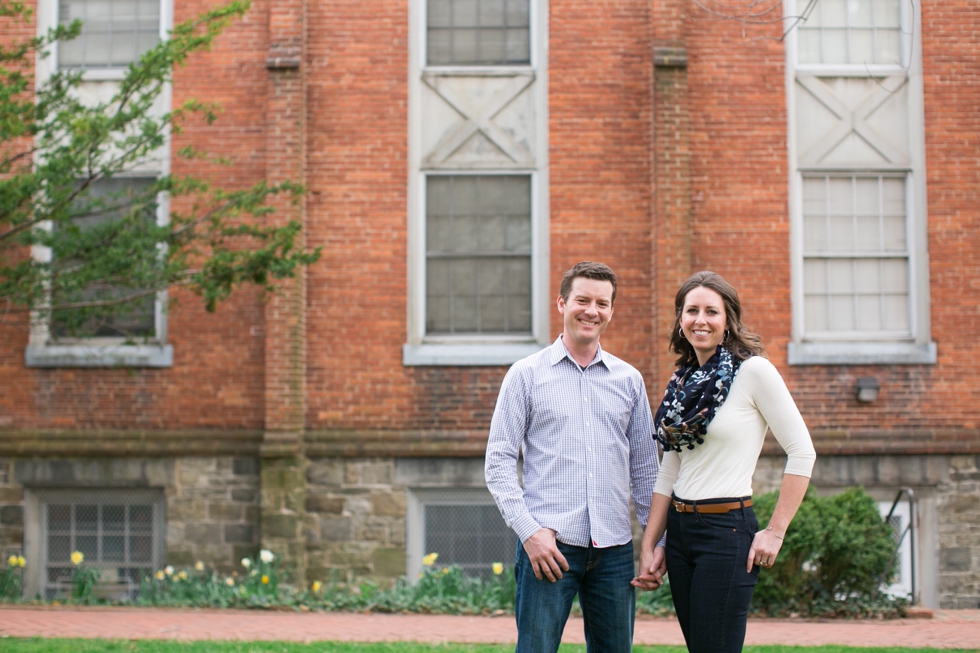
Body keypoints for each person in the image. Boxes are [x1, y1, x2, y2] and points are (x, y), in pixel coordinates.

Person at [485, 261, 665, 653]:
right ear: (562, 303)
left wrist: (654, 542)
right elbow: (497, 463)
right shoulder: (525, 375)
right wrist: (530, 532)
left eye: (602, 303)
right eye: (582, 300)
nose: (592, 311)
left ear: (611, 311)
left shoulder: (629, 381)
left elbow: (646, 471)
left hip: (614, 550)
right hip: (549, 548)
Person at [632, 270, 816, 653]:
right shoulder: (683, 382)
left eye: (711, 311)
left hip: (726, 533)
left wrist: (776, 531)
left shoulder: (754, 372)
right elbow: (672, 467)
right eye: (691, 310)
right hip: (681, 534)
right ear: (680, 320)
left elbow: (802, 450)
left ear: (728, 320)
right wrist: (651, 544)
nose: (701, 320)